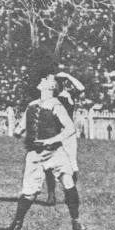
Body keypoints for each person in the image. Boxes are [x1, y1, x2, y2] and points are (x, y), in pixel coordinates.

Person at [7, 72, 86, 230]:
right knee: (29, 192)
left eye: (46, 79)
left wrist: (52, 140)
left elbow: (70, 129)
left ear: (51, 87)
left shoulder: (57, 105)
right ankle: (18, 221)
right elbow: (20, 128)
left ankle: (75, 219)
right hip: (35, 154)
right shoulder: (32, 105)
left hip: (56, 152)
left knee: (68, 181)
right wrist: (18, 130)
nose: (41, 78)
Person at [43, 71, 84, 206]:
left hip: (68, 136)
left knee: (71, 165)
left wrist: (68, 76)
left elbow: (81, 88)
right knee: (49, 165)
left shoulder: (68, 95)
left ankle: (70, 192)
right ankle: (51, 195)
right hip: (54, 133)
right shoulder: (49, 97)